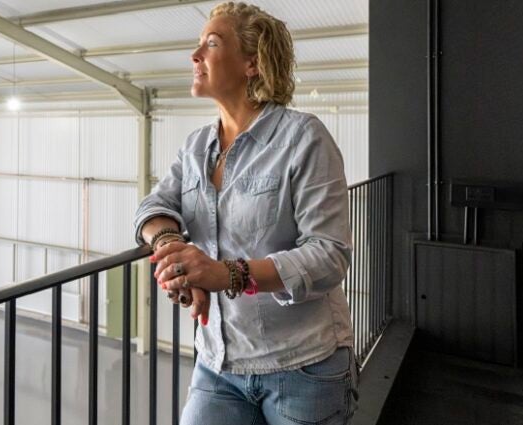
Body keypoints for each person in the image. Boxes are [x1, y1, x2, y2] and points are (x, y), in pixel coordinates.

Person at [133, 2, 358, 424]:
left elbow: (329, 255)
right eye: (199, 44)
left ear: (252, 63)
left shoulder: (303, 138)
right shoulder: (196, 147)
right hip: (218, 363)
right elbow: (153, 207)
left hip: (303, 364)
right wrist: (173, 253)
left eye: (212, 44)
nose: (195, 55)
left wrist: (227, 275)